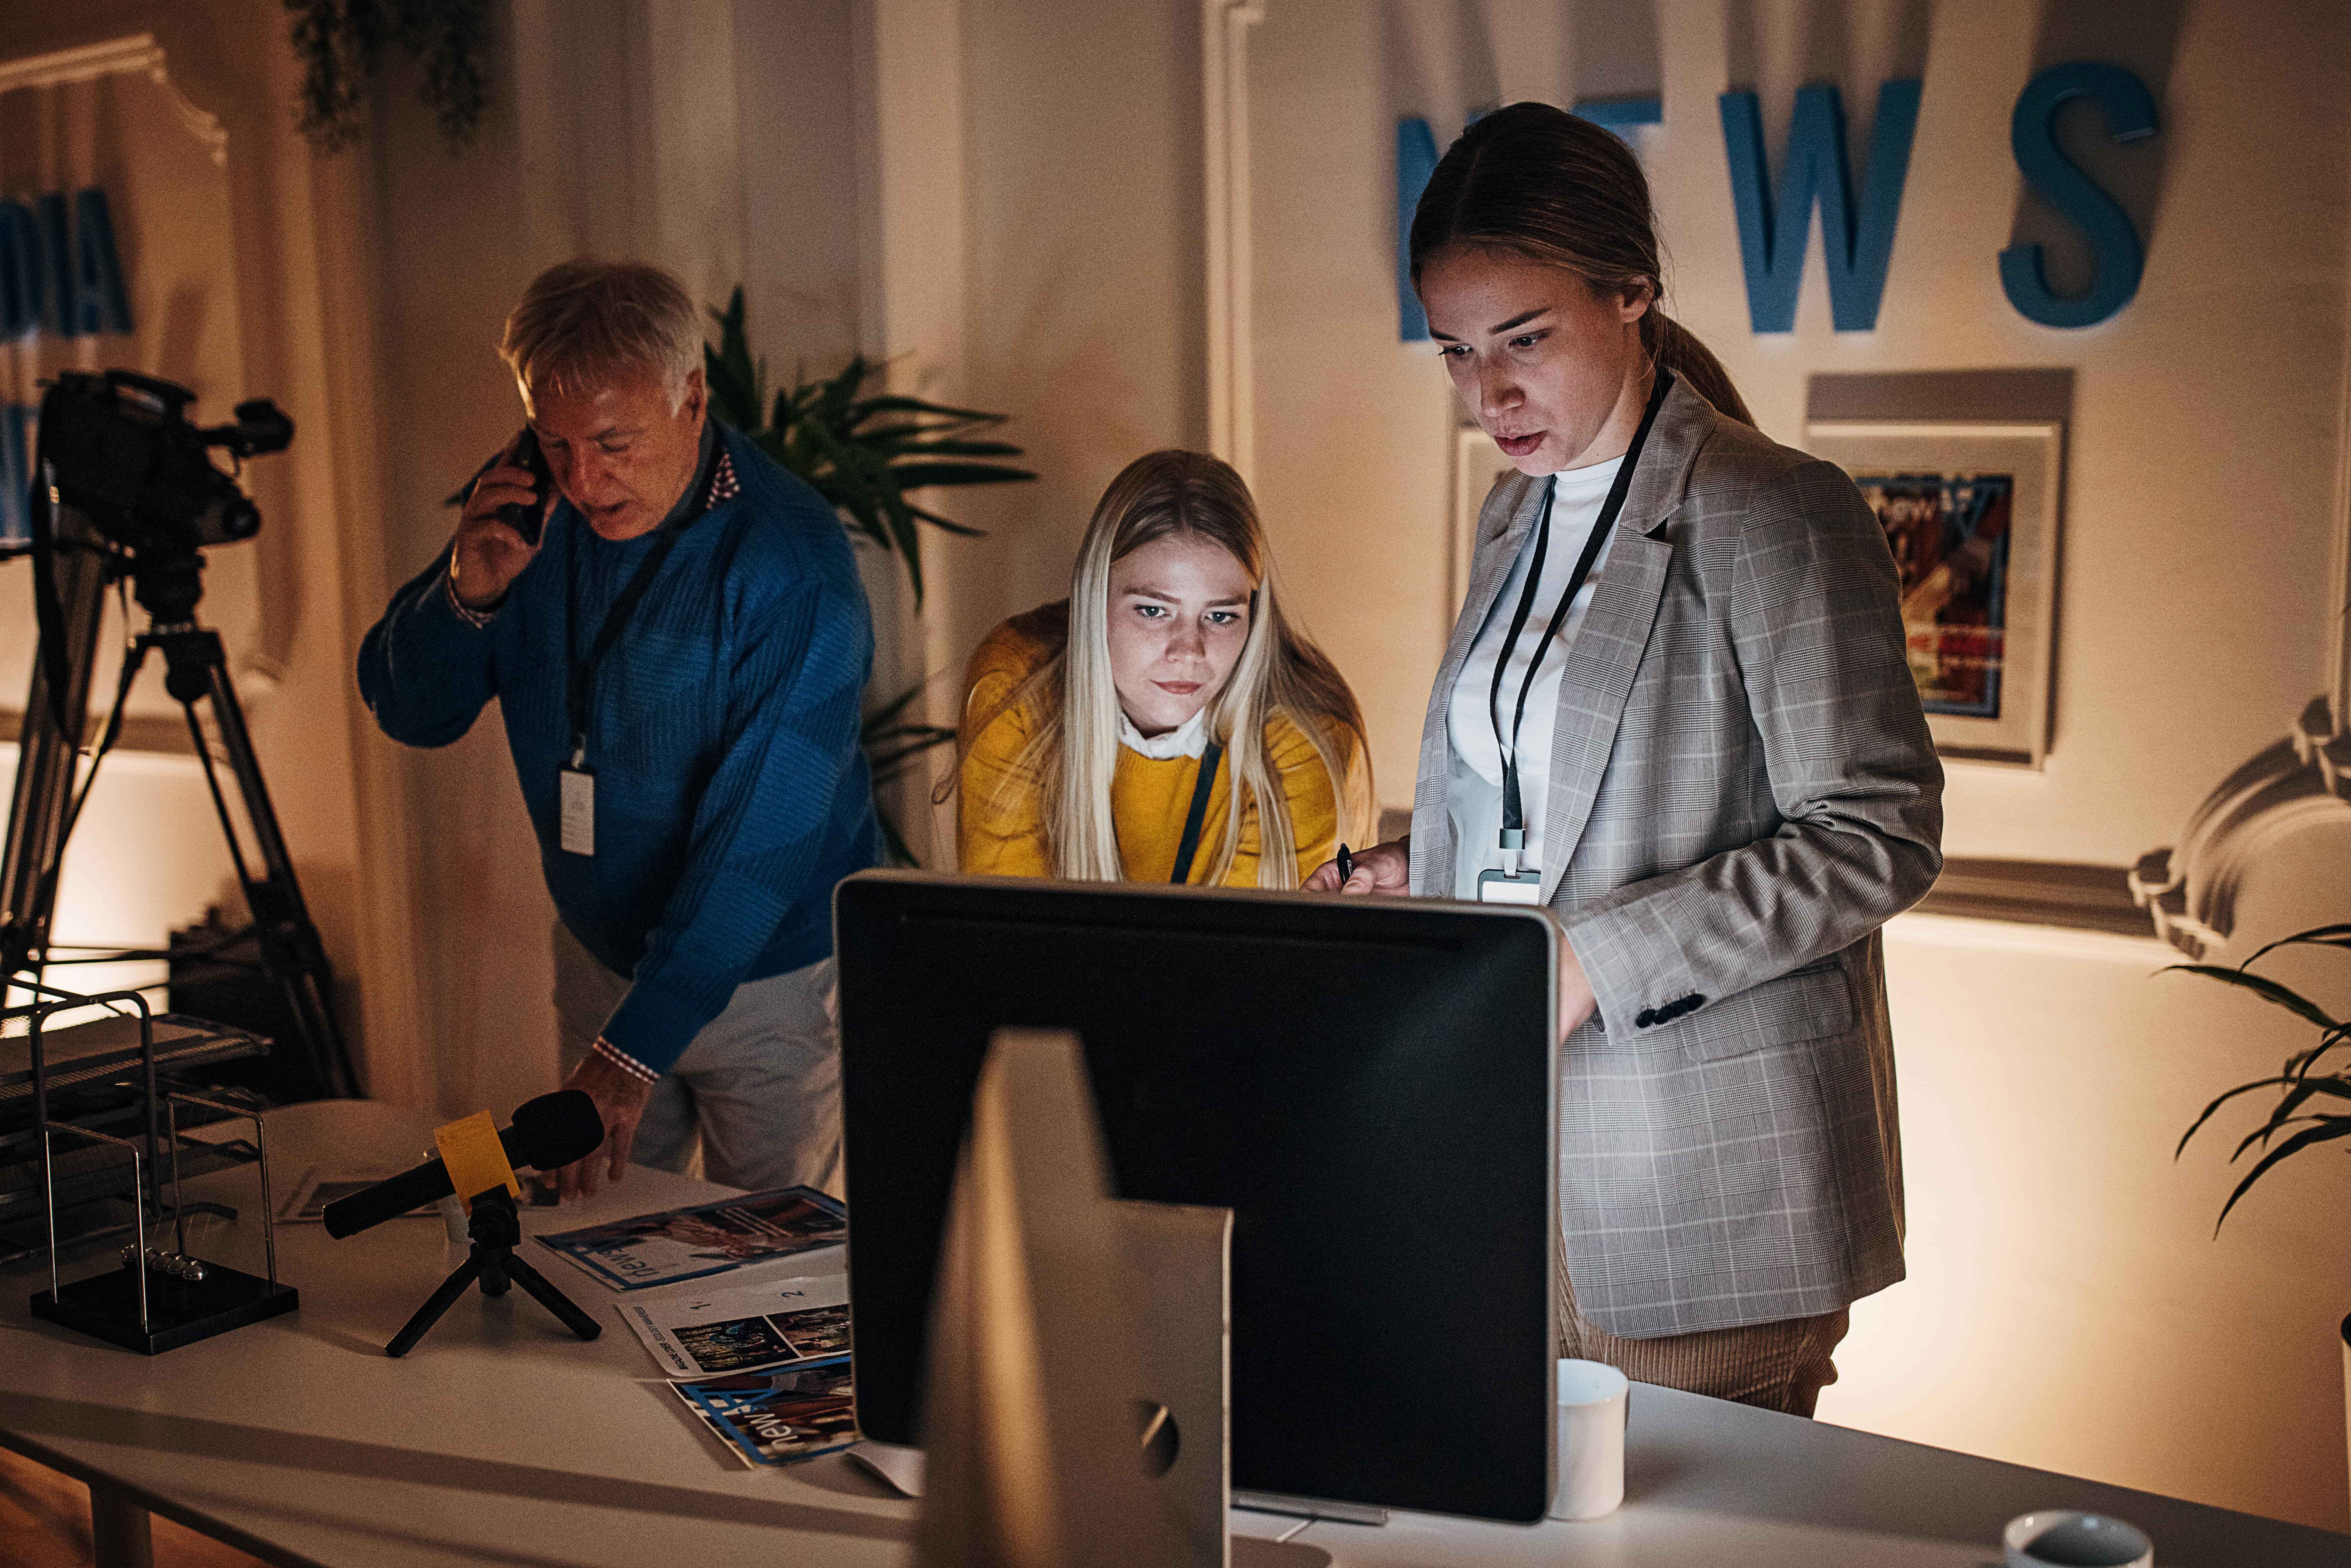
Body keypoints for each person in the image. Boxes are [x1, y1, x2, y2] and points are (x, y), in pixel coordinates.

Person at [1307, 103, 1943, 1416]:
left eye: (1523, 339)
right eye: (1454, 351)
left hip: (1703, 1198)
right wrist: (1415, 869)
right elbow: (1540, 792)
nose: (1487, 394)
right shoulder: (1507, 513)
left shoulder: (1776, 508)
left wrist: (1598, 960)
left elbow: (1877, 833)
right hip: (1502, 1164)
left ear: (1631, 293)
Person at [358, 259, 879, 1201]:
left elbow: (758, 846)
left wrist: (630, 1053)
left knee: (773, 1274)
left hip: (771, 986)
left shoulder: (790, 565)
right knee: (593, 1246)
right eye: (553, 442)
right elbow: (411, 713)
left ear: (692, 396)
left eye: (612, 441)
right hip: (601, 960)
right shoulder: (527, 503)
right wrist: (465, 594)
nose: (584, 481)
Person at [958, 449, 1373, 887]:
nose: (1189, 652)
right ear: (1093, 599)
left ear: (1255, 614)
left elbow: (1250, 952)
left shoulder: (1307, 733)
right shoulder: (1015, 687)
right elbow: (1011, 933)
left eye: (1220, 617)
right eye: (1154, 611)